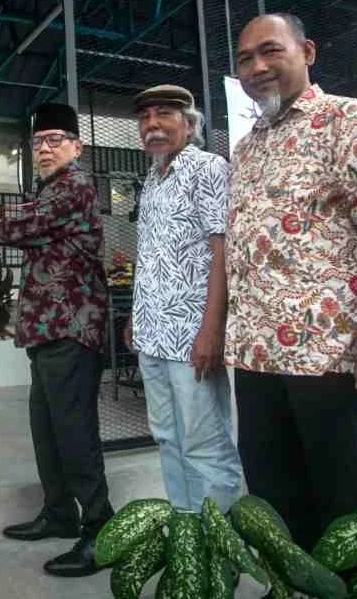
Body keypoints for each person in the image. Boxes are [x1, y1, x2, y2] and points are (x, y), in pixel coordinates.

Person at [227, 12, 357, 550]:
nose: (257, 66)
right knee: (277, 501)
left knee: (353, 508)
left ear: (308, 51)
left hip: (333, 358)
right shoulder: (246, 149)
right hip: (257, 358)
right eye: (245, 59)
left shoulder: (353, 120)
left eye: (271, 51)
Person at [0, 102, 114, 577]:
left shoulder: (73, 186)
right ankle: (59, 513)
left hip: (72, 328)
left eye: (55, 140)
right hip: (48, 330)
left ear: (77, 146)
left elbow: (22, 228)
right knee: (47, 429)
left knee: (74, 433)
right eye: (38, 142)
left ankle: (99, 529)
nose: (46, 149)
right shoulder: (49, 190)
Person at [123, 84, 242, 513]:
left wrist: (212, 331)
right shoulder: (151, 181)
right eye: (144, 118)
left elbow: (222, 251)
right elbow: (152, 253)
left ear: (189, 124)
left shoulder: (209, 168)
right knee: (167, 436)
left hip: (192, 336)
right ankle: (187, 533)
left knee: (204, 442)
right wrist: (137, 316)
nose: (152, 125)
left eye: (164, 115)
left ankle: (219, 549)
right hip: (153, 334)